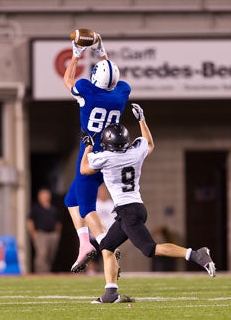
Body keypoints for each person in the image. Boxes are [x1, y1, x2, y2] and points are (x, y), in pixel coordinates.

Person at [80, 103, 216, 303]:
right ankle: (111, 293)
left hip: (127, 211)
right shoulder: (135, 152)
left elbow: (84, 169)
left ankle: (196, 255)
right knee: (107, 246)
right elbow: (150, 144)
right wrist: (141, 119)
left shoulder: (106, 157)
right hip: (135, 208)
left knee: (150, 249)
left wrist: (88, 146)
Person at [63, 34, 131, 272]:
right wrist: (103, 53)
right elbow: (111, 79)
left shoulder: (87, 91)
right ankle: (84, 244)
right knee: (70, 199)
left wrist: (76, 55)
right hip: (109, 154)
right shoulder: (121, 92)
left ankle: (106, 245)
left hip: (89, 154)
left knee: (86, 208)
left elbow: (68, 79)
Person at [27, 188, 62, 273]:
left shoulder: (54, 208)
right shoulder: (35, 208)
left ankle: (47, 271)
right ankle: (40, 272)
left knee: (50, 254)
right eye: (43, 195)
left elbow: (59, 222)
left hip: (52, 234)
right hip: (41, 234)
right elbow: (30, 221)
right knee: (42, 253)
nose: (45, 197)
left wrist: (57, 233)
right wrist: (33, 233)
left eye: (46, 195)